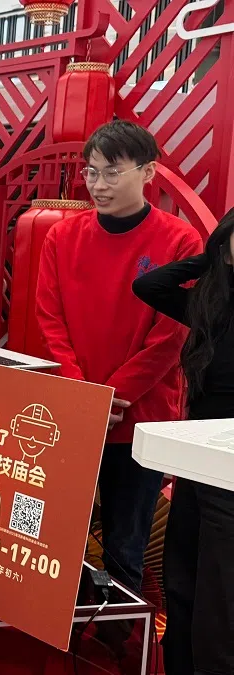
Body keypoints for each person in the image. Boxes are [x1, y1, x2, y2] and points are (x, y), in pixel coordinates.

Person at [35, 120, 203, 598]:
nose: (98, 184)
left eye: (112, 172)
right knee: (56, 541)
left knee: (126, 549)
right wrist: (84, 394)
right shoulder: (61, 238)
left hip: (141, 418)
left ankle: (116, 651)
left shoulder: (180, 241)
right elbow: (50, 321)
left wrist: (112, 396)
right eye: (91, 172)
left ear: (148, 172)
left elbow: (171, 338)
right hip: (73, 412)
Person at [132, 209, 234, 675]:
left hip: (229, 460)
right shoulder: (210, 301)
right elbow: (148, 286)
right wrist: (209, 258)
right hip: (197, 450)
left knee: (219, 586)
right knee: (183, 571)